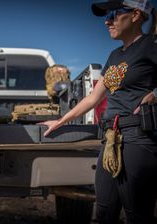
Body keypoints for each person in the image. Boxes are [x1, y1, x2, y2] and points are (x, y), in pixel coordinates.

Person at [38, 0, 157, 223]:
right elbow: (94, 97)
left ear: (136, 15)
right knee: (104, 212)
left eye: (113, 14)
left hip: (139, 139)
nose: (107, 21)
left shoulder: (152, 45)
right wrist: (61, 120)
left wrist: (155, 94)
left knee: (138, 215)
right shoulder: (114, 56)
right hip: (110, 139)